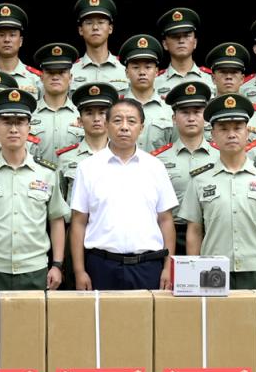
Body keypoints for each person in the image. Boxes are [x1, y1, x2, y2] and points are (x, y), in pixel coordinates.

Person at [0, 89, 70, 291]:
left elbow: (56, 219)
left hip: (35, 269)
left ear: (29, 128)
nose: (13, 129)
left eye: (20, 122)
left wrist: (57, 264)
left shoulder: (47, 172)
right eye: (6, 122)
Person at [180, 93, 256, 291]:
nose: (231, 134)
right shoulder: (199, 179)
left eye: (238, 128)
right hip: (211, 268)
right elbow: (194, 230)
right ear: (213, 135)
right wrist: (194, 272)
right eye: (223, 129)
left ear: (247, 132)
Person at [70, 98, 178, 291]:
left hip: (148, 266)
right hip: (101, 266)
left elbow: (166, 220)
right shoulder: (88, 168)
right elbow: (78, 221)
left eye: (132, 121)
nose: (124, 127)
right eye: (117, 120)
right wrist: (79, 271)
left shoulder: (155, 167)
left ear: (141, 128)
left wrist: (167, 268)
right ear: (106, 125)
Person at [54, 81, 118, 291]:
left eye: (102, 113)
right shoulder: (66, 158)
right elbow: (59, 202)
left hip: (110, 233)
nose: (97, 118)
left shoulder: (124, 155)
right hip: (75, 232)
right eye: (89, 113)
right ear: (80, 120)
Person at [153, 81, 216, 254]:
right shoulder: (158, 160)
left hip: (211, 232)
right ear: (174, 118)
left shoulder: (221, 156)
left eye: (197, 112)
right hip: (171, 232)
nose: (191, 118)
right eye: (185, 112)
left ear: (205, 116)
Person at [119, 34, 175, 150]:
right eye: (135, 67)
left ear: (156, 72)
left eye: (148, 67)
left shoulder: (169, 110)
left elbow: (175, 149)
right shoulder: (114, 108)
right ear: (127, 72)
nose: (142, 72)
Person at [29, 42, 82, 161]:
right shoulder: (28, 115)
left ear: (70, 77)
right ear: (41, 77)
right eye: (50, 72)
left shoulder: (82, 115)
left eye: (62, 72)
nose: (55, 77)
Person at [71, 0, 128, 93]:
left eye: (101, 22)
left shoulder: (125, 69)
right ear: (80, 30)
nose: (95, 27)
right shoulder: (70, 71)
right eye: (89, 23)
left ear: (110, 28)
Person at [0, 2, 41, 96]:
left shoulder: (36, 79)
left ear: (21, 41)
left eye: (12, 35)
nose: (7, 40)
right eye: (1, 35)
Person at [155, 7, 211, 97]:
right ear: (165, 44)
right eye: (174, 36)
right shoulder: (154, 81)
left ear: (195, 42)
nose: (181, 41)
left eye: (186, 35)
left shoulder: (212, 79)